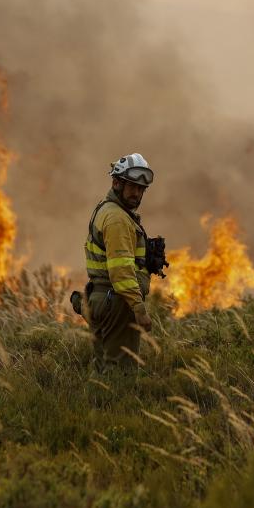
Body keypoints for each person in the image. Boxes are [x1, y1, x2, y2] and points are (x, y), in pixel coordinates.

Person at [83, 153, 155, 372]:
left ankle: (100, 403)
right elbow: (121, 272)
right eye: (132, 187)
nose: (137, 193)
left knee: (104, 367)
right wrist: (139, 309)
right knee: (120, 373)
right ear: (117, 183)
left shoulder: (109, 210)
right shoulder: (117, 219)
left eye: (141, 189)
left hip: (105, 298)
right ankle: (113, 404)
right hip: (117, 302)